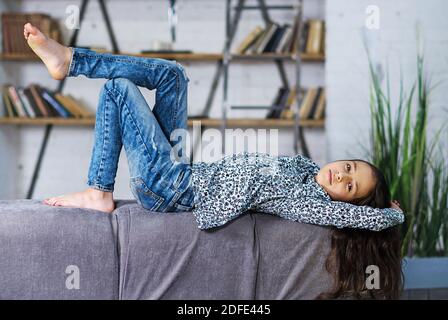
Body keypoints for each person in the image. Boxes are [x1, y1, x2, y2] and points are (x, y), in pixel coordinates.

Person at [23, 23, 405, 233]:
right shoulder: (305, 170)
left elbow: (359, 218)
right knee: (173, 74)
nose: (342, 175)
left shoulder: (312, 204)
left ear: (343, 201)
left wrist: (391, 214)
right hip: (183, 170)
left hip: (170, 188)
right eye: (350, 168)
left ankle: (98, 191)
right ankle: (72, 61)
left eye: (349, 187)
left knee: (119, 90)